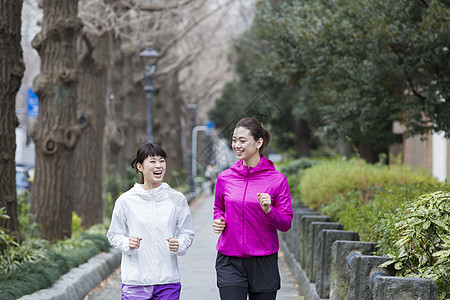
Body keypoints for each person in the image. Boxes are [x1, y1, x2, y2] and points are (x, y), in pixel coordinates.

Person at [212, 117, 293, 300]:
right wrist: (219, 220)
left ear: (258, 142)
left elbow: (286, 222)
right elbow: (219, 207)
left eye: (242, 140)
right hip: (229, 259)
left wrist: (269, 210)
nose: (236, 145)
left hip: (263, 260)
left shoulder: (277, 180)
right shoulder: (225, 178)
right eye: (234, 140)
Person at [107, 143, 195, 300]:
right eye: (153, 161)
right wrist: (127, 243)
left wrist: (179, 243)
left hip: (168, 281)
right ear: (140, 166)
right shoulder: (126, 200)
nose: (159, 166)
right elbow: (114, 234)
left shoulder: (176, 199)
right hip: (136, 282)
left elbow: (187, 232)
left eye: (162, 161)